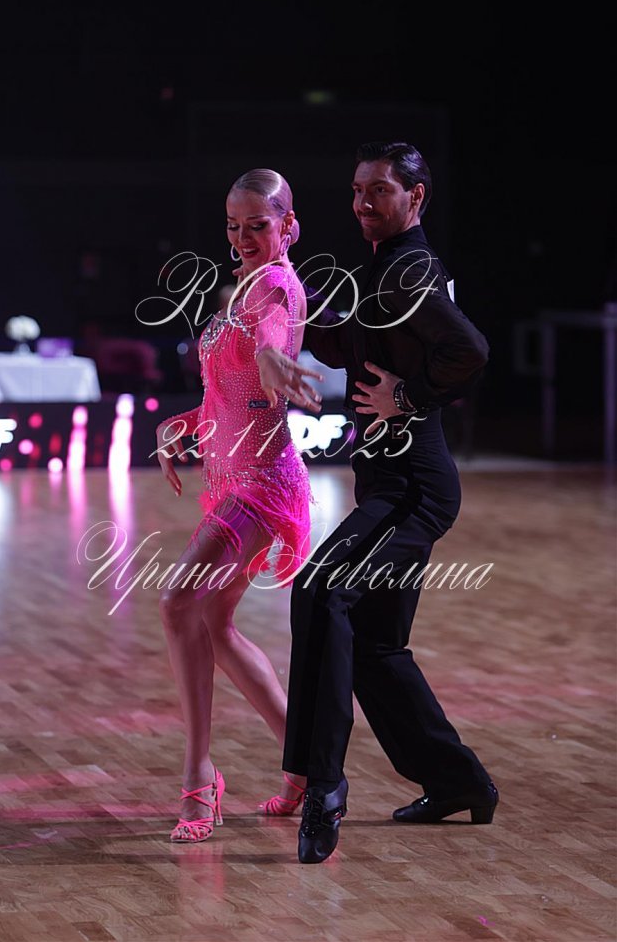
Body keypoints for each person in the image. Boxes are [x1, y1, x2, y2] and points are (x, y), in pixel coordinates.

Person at [256, 142, 499, 863]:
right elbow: (345, 344)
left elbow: (470, 350)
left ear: (416, 197)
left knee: (320, 588)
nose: (363, 201)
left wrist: (411, 396)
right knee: (375, 646)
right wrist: (284, 305)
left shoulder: (409, 269)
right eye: (358, 189)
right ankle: (459, 781)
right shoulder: (384, 270)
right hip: (390, 481)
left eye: (380, 190)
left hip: (411, 488)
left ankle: (323, 784)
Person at [155, 169, 323, 843]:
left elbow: (270, 342)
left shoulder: (275, 287)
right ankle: (306, 766)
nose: (244, 236)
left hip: (262, 484)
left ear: (289, 225)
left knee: (178, 602)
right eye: (233, 225)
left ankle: (200, 775)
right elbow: (232, 394)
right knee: (215, 623)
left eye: (259, 224)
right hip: (231, 479)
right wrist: (187, 422)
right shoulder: (247, 284)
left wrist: (274, 358)